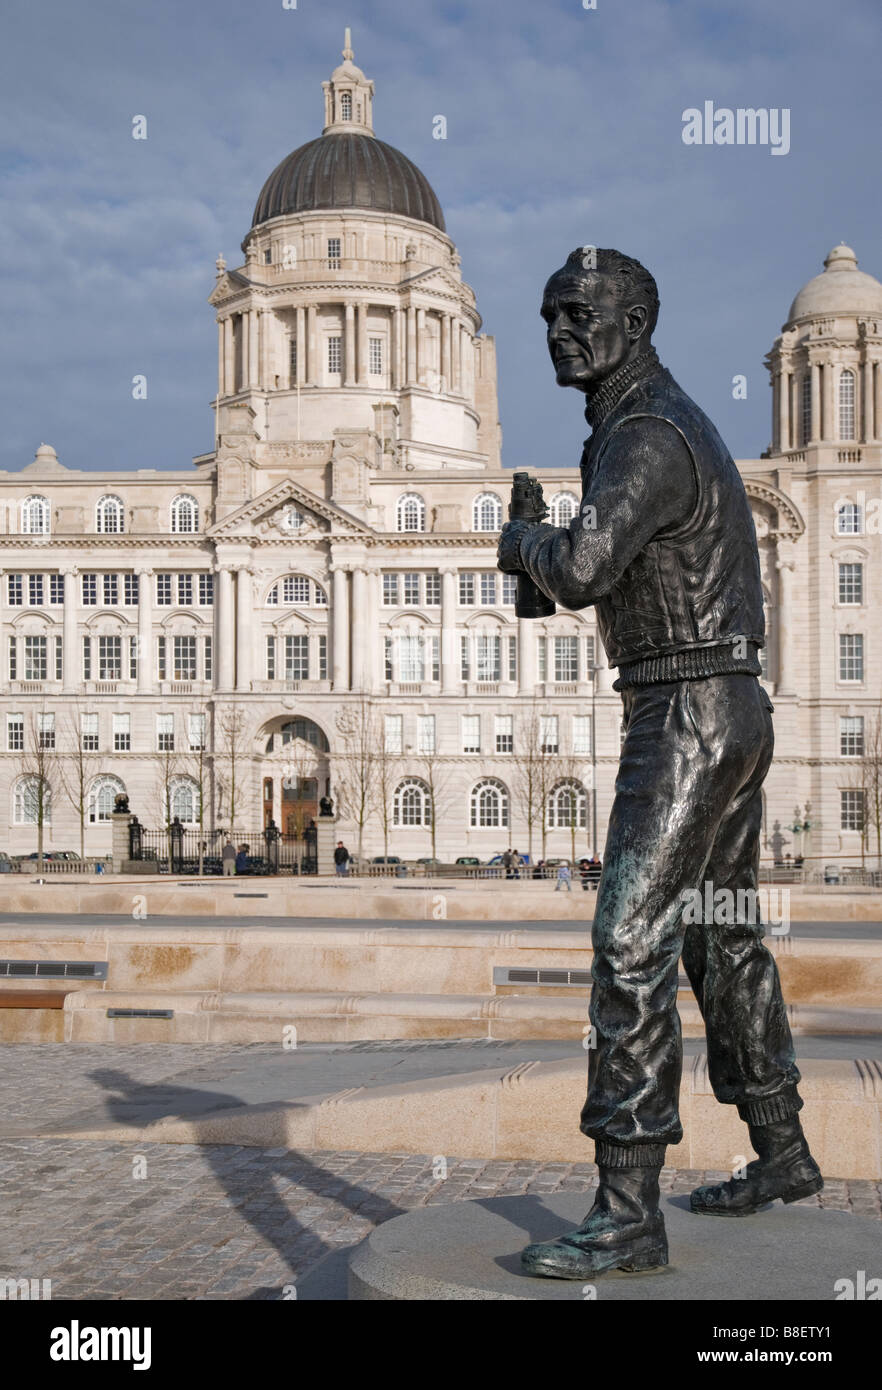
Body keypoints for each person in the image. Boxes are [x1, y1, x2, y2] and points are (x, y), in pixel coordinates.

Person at [498, 246, 819, 1280]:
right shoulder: (647, 424)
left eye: (579, 313)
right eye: (549, 315)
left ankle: (629, 1208)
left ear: (632, 324)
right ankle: (783, 1147)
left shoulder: (643, 433)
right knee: (721, 938)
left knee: (629, 940)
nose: (559, 331)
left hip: (684, 706)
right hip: (728, 702)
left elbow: (584, 569)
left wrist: (522, 544)